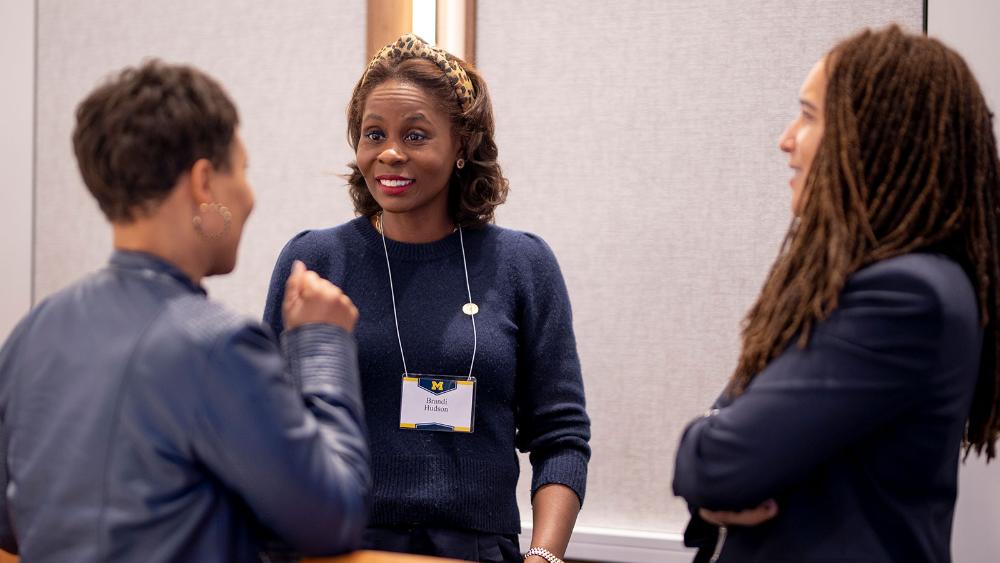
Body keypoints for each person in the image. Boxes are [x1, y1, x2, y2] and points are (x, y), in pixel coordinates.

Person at [0, 61, 370, 562]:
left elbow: (12, 522)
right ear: (203, 182)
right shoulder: (216, 344)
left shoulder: (34, 331)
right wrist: (323, 343)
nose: (249, 197)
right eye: (241, 170)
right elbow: (333, 517)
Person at [672, 25, 1000, 563]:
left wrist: (707, 448)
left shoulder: (903, 295)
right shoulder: (891, 284)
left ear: (875, 133)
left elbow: (715, 464)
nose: (786, 138)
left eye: (808, 114)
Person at [264, 34, 591, 563]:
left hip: (477, 549)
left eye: (415, 135)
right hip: (341, 548)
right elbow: (274, 426)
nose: (390, 153)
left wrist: (546, 557)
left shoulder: (522, 265)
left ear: (462, 146)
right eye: (374, 134)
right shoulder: (316, 261)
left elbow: (562, 435)